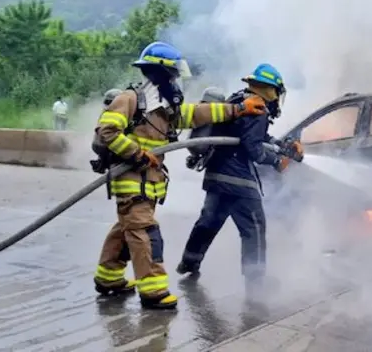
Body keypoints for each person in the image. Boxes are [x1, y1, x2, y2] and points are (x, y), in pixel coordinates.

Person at [92, 41, 268, 310]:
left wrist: (237, 109)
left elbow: (195, 114)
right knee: (146, 233)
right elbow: (107, 131)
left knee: (126, 230)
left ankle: (108, 279)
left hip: (148, 183)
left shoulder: (162, 107)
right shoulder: (130, 100)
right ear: (161, 75)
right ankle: (153, 292)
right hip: (131, 181)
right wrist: (137, 154)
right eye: (174, 75)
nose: (177, 82)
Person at [176, 63, 303, 300]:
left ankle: (189, 262)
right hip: (239, 181)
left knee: (209, 222)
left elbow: (256, 137)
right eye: (276, 91)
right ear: (270, 89)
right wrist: (277, 162)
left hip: (216, 175)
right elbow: (254, 149)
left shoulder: (239, 101)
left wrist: (282, 145)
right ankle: (256, 283)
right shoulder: (259, 108)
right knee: (254, 229)